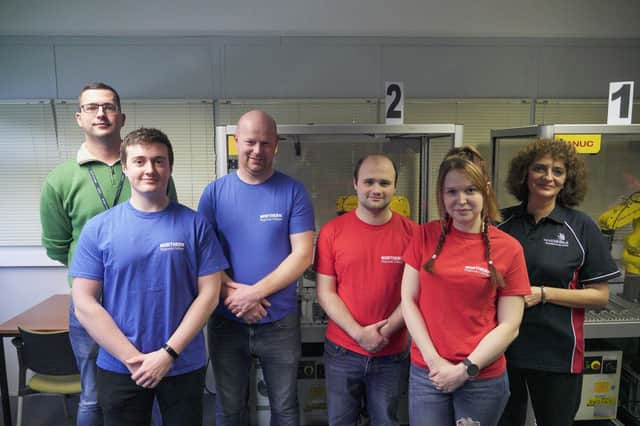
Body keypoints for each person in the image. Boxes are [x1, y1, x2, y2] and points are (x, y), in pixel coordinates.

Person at [39, 82, 177, 425]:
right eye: (92, 107)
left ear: (121, 116)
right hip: (92, 304)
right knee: (92, 395)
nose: (101, 113)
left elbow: (167, 222)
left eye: (109, 107)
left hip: (148, 303)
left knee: (153, 391)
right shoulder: (60, 180)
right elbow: (58, 245)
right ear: (79, 118)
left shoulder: (149, 170)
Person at [70, 128, 227, 425]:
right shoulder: (99, 228)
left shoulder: (196, 225)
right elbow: (84, 303)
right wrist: (133, 359)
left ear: (170, 167)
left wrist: (167, 354)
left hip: (181, 363)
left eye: (158, 161)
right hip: (120, 366)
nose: (150, 169)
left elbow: (208, 295)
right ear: (125, 167)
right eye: (140, 161)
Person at [198, 110, 315, 425]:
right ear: (236, 142)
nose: (257, 150)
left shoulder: (293, 192)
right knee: (230, 408)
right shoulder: (214, 194)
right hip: (226, 321)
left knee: (285, 408)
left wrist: (254, 294)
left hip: (279, 323)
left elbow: (303, 254)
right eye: (250, 142)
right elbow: (205, 258)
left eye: (266, 143)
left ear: (276, 145)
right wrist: (238, 298)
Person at [401, 153, 530, 425]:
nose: (461, 200)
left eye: (470, 190)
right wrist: (434, 361)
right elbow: (408, 301)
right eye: (452, 191)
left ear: (486, 190)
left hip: (481, 378)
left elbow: (510, 325)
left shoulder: (509, 248)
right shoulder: (424, 235)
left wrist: (465, 369)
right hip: (428, 374)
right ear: (441, 195)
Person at [498, 139, 620, 426]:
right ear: (525, 174)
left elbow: (600, 296)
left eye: (558, 171)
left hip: (558, 353)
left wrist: (543, 293)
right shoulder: (501, 222)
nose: (548, 177)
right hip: (503, 351)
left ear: (567, 180)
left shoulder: (581, 226)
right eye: (539, 168)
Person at [314, 154, 418, 425]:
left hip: (392, 352)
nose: (376, 189)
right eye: (369, 181)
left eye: (384, 182)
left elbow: (416, 294)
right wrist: (359, 334)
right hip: (342, 351)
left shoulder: (413, 234)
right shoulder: (331, 232)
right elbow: (326, 292)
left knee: (386, 420)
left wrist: (383, 333)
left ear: (395, 187)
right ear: (355, 184)